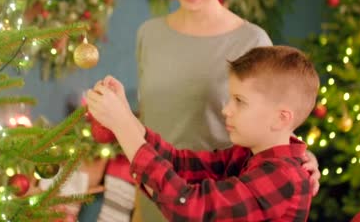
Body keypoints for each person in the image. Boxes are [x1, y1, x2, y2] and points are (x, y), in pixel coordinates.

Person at [134, 0, 320, 221]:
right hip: (154, 197)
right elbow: (151, 113)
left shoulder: (252, 40)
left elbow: (277, 118)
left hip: (213, 206)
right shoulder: (148, 34)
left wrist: (305, 156)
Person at [86, 45, 319, 221]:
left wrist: (122, 127)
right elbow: (181, 165)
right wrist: (126, 118)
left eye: (240, 101)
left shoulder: (285, 177)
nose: (226, 109)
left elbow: (191, 208)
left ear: (281, 118)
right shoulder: (247, 153)